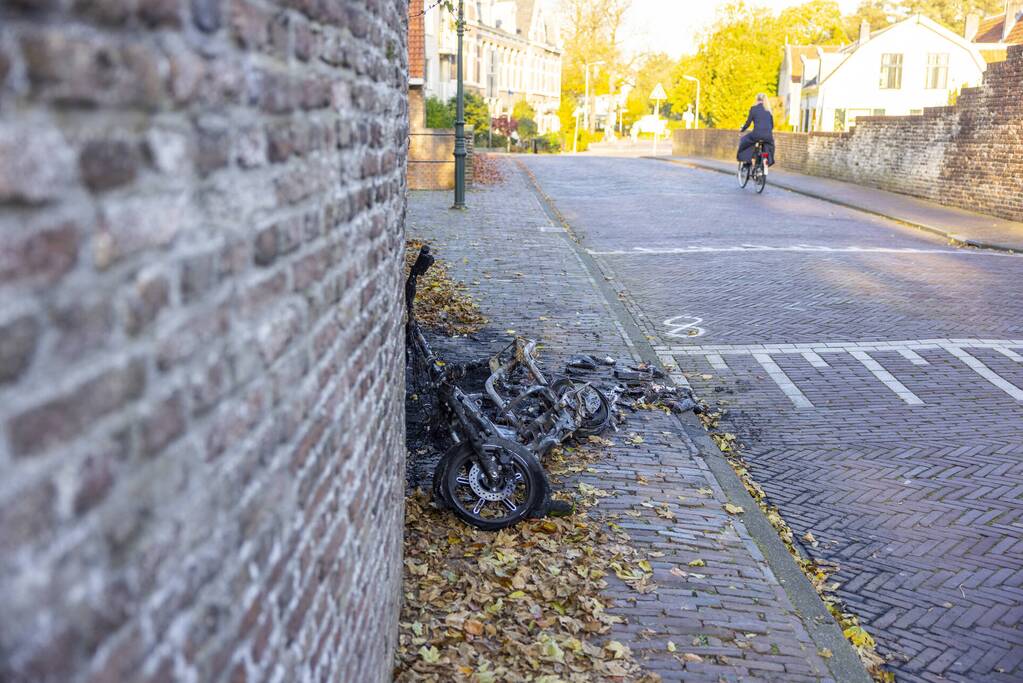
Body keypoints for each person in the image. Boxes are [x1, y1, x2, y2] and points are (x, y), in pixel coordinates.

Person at [737, 93, 775, 166]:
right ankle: (766, 160)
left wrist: (742, 129)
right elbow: (772, 126)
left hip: (756, 134)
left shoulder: (753, 109)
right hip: (768, 135)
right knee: (768, 145)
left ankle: (747, 161)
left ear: (757, 99)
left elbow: (748, 123)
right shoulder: (769, 111)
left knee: (745, 140)